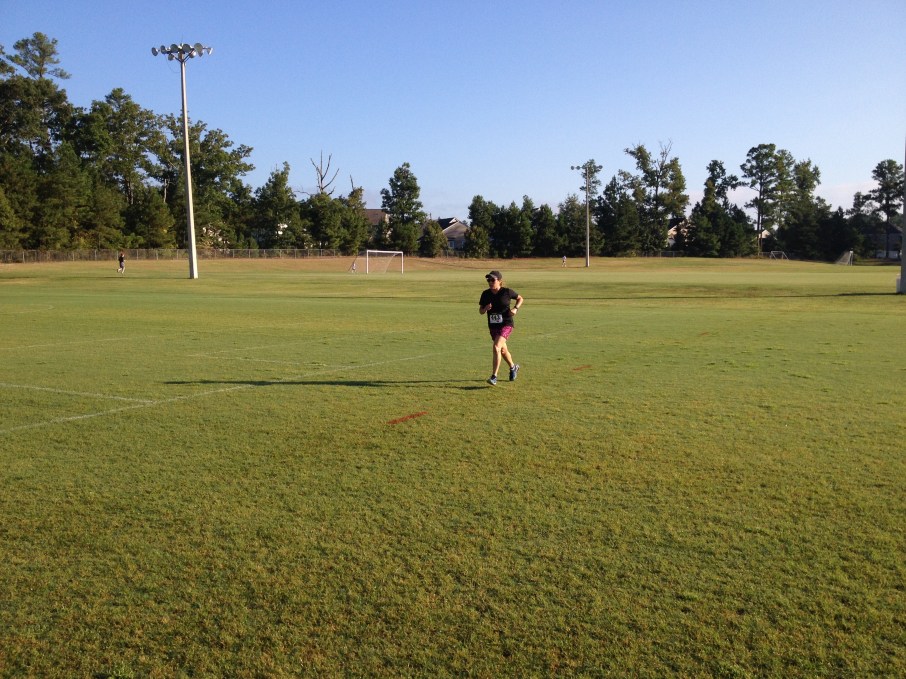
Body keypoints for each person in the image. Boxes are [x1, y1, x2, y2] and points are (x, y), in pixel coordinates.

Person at [479, 270, 523, 385]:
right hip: (493, 326)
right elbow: (481, 311)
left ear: (499, 281)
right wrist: (485, 308)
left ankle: (494, 376)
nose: (490, 282)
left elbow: (520, 298)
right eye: (488, 280)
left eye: (492, 280)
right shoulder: (485, 294)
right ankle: (513, 367)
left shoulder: (507, 292)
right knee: (502, 350)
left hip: (506, 324)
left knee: (496, 347)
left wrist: (515, 309)